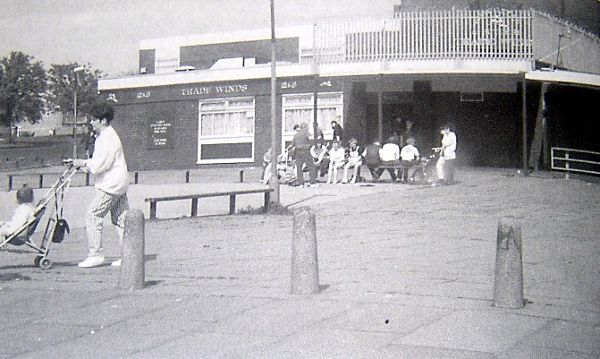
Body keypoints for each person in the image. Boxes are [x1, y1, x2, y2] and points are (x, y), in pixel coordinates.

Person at [70, 100, 129, 268]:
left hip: (111, 185)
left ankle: (96, 254)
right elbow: (98, 163)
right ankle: (129, 254)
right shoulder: (107, 136)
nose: (91, 122)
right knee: (120, 218)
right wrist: (83, 163)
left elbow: (99, 165)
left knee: (93, 215)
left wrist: (83, 164)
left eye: (93, 119)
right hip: (119, 183)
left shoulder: (106, 138)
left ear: (103, 121)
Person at [291, 123, 317, 187]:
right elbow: (311, 140)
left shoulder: (296, 135)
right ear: (305, 127)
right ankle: (312, 182)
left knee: (299, 168)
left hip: (297, 152)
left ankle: (301, 183)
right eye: (307, 127)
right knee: (311, 166)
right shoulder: (306, 132)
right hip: (305, 151)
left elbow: (292, 144)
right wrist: (310, 145)